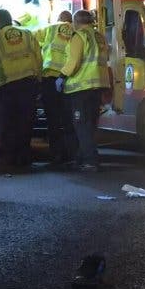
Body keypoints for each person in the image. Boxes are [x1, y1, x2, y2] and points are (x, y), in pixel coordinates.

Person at [0, 9, 42, 171]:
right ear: (11, 18)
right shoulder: (27, 33)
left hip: (7, 86)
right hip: (28, 83)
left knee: (8, 122)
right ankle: (24, 156)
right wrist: (38, 78)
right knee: (25, 121)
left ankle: (10, 156)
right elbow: (38, 56)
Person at [60, 10, 108, 172]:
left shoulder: (79, 36)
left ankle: (90, 160)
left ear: (76, 22)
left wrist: (62, 76)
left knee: (81, 125)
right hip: (97, 86)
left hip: (80, 87)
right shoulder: (99, 36)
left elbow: (74, 61)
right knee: (90, 124)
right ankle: (81, 158)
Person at [36, 10, 77, 167]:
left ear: (59, 19)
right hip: (68, 79)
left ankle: (56, 156)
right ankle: (70, 155)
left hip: (50, 78)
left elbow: (32, 38)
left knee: (53, 119)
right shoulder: (76, 32)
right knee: (67, 119)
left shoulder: (51, 28)